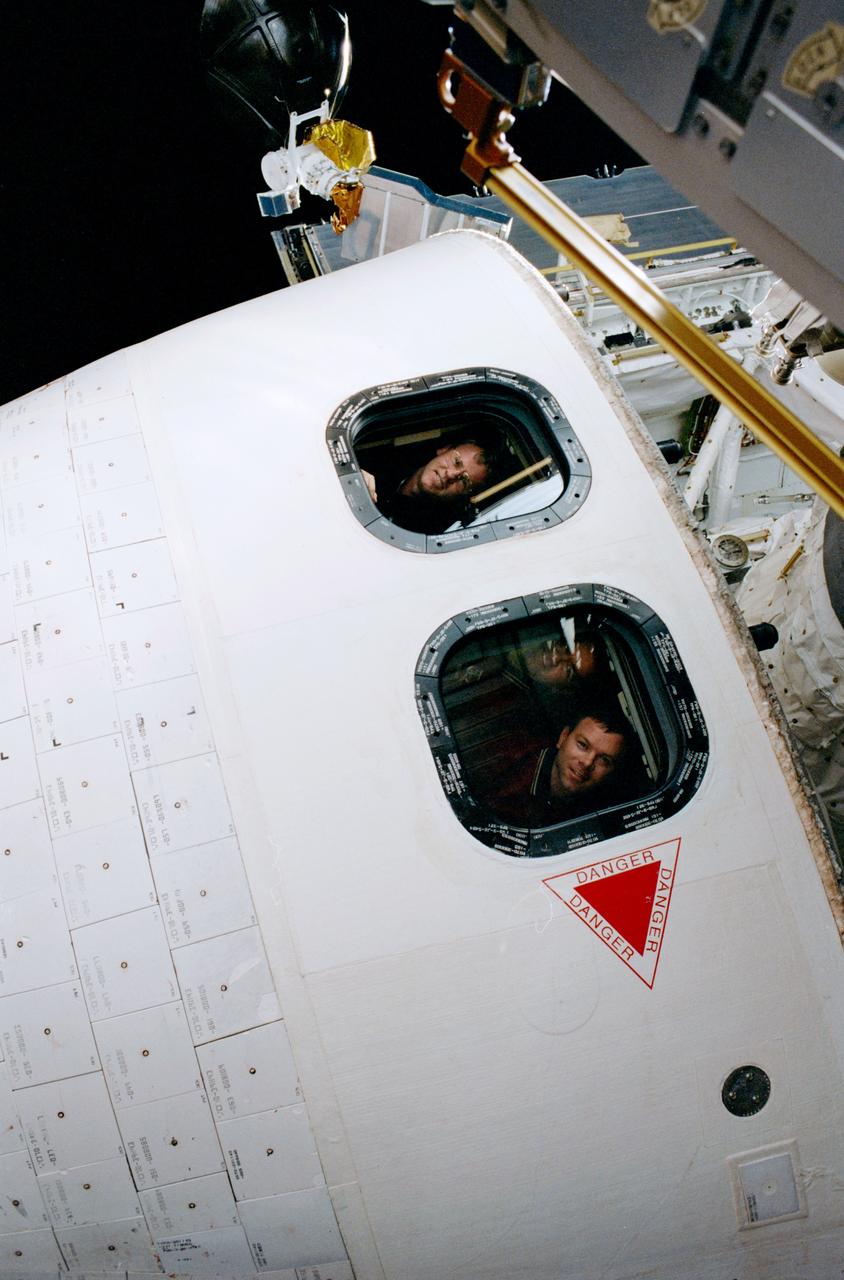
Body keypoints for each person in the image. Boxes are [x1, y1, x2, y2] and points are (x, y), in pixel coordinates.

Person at [476, 695, 632, 828]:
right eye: (583, 745)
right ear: (563, 738)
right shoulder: (508, 765)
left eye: (604, 760)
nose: (587, 762)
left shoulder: (602, 814)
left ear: (612, 773)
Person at [360, 439, 496, 534]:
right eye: (456, 461)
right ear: (443, 450)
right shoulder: (384, 460)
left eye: (464, 481)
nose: (450, 474)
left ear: (464, 495)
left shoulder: (431, 533)